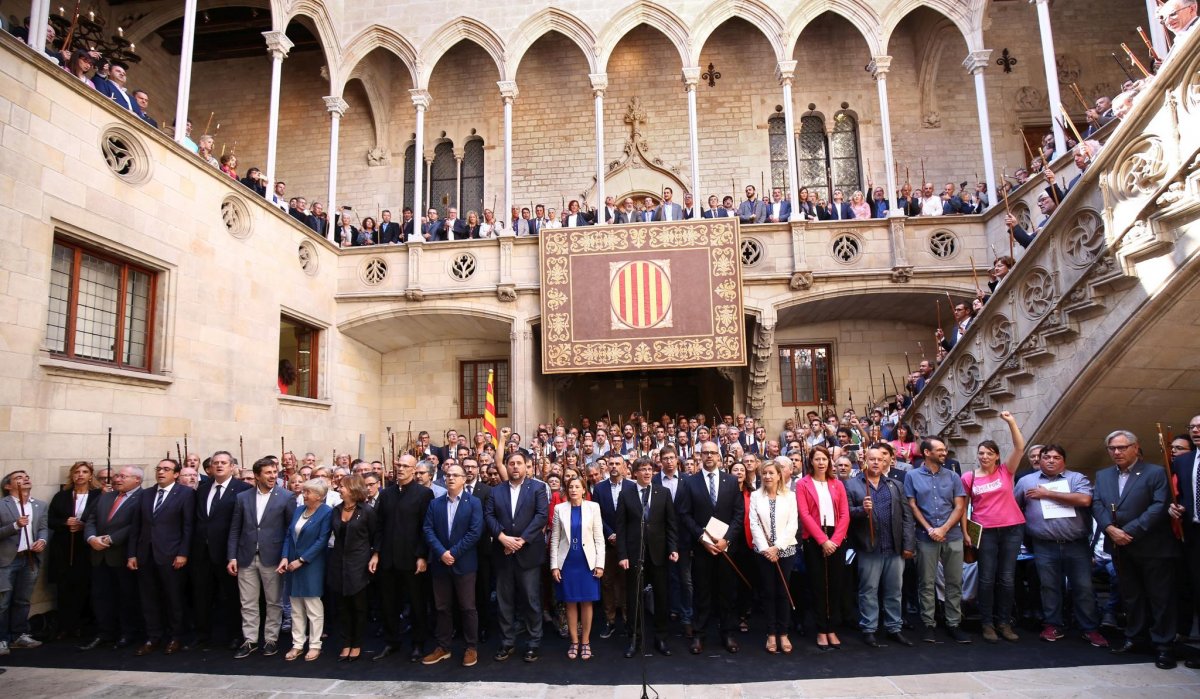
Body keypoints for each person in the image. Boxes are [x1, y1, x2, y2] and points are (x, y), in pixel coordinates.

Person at [1092, 430, 1180, 669]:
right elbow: (1097, 504)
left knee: (1160, 597)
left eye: (1122, 447)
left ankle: (1164, 645)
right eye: (1112, 448)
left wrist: (1127, 532)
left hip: (1152, 546)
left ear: (1135, 447)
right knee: (1131, 596)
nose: (1117, 452)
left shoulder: (1155, 472)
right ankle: (1135, 638)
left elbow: (1159, 506)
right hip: (1120, 548)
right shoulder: (1103, 475)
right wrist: (1110, 529)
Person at [1013, 444, 1108, 648]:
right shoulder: (1026, 481)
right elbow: (1015, 506)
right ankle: (1053, 624)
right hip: (1043, 544)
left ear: (1063, 460)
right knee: (1049, 586)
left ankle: (1089, 628)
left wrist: (1047, 494)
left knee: (1083, 586)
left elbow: (1084, 499)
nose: (1050, 461)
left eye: (1056, 457)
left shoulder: (1076, 478)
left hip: (1076, 544)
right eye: (1046, 457)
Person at [961, 411, 1026, 643]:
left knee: (1007, 578)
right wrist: (966, 532)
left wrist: (1011, 422)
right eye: (981, 453)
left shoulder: (1005, 471)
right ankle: (987, 623)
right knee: (986, 578)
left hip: (1012, 528)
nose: (984, 457)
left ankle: (1004, 622)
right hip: (985, 531)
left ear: (997, 456)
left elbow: (1019, 448)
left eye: (989, 453)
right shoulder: (969, 478)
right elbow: (963, 507)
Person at [676, 440, 744, 654]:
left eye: (713, 453)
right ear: (699, 456)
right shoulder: (689, 482)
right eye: (705, 453)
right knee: (702, 593)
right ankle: (699, 635)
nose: (709, 456)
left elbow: (738, 514)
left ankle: (728, 633)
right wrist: (702, 537)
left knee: (727, 593)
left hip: (726, 548)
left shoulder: (731, 481)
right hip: (702, 548)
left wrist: (727, 540)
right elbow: (684, 514)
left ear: (719, 456)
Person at [846, 445, 915, 647]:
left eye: (880, 459)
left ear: (886, 462)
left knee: (895, 590)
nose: (876, 462)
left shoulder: (895, 485)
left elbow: (907, 517)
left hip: (893, 547)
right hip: (869, 546)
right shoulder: (852, 485)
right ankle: (869, 628)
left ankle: (894, 628)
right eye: (872, 459)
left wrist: (908, 544)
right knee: (868, 590)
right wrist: (861, 509)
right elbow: (846, 514)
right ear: (865, 460)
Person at [228, 457, 296, 658]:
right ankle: (250, 640)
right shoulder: (243, 497)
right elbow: (235, 529)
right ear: (257, 476)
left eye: (275, 472)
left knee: (273, 601)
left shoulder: (286, 497)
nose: (273, 476)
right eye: (268, 473)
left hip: (273, 557)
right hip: (245, 556)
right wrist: (231, 557)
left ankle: (271, 639)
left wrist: (285, 556)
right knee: (247, 602)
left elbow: (289, 531)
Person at [484, 449, 549, 662]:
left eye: (519, 463)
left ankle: (534, 643)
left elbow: (541, 516)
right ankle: (507, 642)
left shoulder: (538, 488)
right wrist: (502, 538)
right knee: (504, 602)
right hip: (502, 554)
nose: (514, 467)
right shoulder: (496, 491)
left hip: (528, 553)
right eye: (511, 463)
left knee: (531, 601)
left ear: (526, 466)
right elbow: (489, 515)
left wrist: (520, 541)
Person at [905, 437, 970, 643]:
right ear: (926, 452)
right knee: (926, 583)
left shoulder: (953, 476)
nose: (944, 453)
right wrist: (930, 529)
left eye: (945, 449)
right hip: (925, 537)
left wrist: (943, 529)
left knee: (954, 582)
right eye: (940, 450)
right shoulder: (912, 476)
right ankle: (928, 624)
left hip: (952, 536)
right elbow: (912, 505)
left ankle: (953, 623)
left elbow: (959, 506)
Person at [128, 458, 194, 656]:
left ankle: (175, 637)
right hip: (145, 554)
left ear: (176, 474)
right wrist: (132, 553)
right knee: (149, 598)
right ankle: (153, 637)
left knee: (173, 598)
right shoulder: (146, 494)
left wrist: (183, 552)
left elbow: (188, 526)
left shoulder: (185, 494)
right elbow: (136, 526)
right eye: (159, 469)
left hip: (171, 554)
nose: (161, 472)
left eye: (166, 469)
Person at [374, 454, 434, 662]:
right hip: (388, 558)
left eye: (405, 466)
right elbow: (379, 526)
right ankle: (392, 642)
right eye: (398, 465)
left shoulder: (424, 494)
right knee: (389, 603)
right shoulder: (387, 494)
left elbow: (426, 528)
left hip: (412, 559)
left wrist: (422, 555)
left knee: (417, 603)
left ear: (413, 470)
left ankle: (418, 643)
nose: (400, 469)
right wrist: (376, 552)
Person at [423, 462, 485, 667]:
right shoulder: (435, 504)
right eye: (448, 475)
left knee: (467, 607)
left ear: (464, 479)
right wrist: (442, 553)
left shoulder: (473, 502)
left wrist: (454, 553)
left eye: (455, 475)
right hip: (441, 564)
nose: (450, 478)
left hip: (464, 563)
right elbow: (428, 530)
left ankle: (471, 647)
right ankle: (443, 647)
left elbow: (475, 532)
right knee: (442, 607)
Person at [616, 458, 677, 658]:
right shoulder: (626, 495)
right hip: (635, 554)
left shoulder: (663, 493)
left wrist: (673, 548)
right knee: (634, 598)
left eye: (650, 469)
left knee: (661, 596)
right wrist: (623, 554)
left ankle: (661, 637)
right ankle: (634, 638)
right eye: (643, 469)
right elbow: (621, 527)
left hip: (659, 553)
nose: (647, 473)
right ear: (635, 473)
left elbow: (670, 524)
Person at [191, 450, 250, 650]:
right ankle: (203, 636)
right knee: (201, 596)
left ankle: (234, 635)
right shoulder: (202, 489)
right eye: (216, 462)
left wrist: (235, 553)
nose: (219, 466)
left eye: (224, 462)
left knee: (230, 596)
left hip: (227, 552)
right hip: (201, 552)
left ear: (232, 466)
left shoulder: (242, 489)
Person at [82, 465, 143, 651]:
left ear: (137, 480)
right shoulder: (105, 496)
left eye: (123, 476)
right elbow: (91, 519)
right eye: (117, 475)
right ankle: (104, 633)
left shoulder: (144, 497)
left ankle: (127, 633)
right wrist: (91, 538)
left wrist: (111, 539)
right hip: (99, 555)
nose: (117, 479)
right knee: (101, 596)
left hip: (123, 555)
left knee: (126, 596)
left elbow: (136, 524)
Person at [796, 446, 849, 649]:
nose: (821, 462)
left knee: (835, 585)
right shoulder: (803, 484)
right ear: (811, 462)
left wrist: (834, 541)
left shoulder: (837, 484)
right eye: (817, 459)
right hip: (814, 538)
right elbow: (805, 514)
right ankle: (820, 629)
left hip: (836, 538)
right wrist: (822, 540)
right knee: (818, 585)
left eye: (824, 459)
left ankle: (832, 628)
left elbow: (844, 514)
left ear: (829, 462)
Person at [551, 475, 605, 660]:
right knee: (570, 602)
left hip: (587, 562)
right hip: (567, 562)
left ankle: (586, 642)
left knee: (587, 602)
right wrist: (554, 566)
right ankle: (574, 641)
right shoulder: (560, 509)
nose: (574, 490)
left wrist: (600, 564)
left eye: (577, 486)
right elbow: (555, 539)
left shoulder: (593, 508)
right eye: (570, 487)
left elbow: (599, 539)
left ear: (584, 490)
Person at [747, 459, 798, 654]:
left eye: (771, 473)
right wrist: (766, 548)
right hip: (764, 552)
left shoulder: (790, 496)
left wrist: (777, 547)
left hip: (785, 550)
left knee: (783, 592)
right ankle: (770, 633)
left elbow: (793, 525)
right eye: (765, 473)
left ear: (779, 475)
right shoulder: (755, 496)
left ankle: (783, 632)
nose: (768, 476)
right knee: (768, 592)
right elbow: (754, 524)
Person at [327, 475, 379, 662]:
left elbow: (376, 536)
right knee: (342, 606)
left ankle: (357, 643)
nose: (339, 489)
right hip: (338, 563)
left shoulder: (367, 511)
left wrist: (375, 555)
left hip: (359, 563)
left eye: (342, 486)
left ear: (352, 489)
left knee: (358, 605)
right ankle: (346, 642)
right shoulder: (336, 510)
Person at [280, 478, 332, 662]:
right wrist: (285, 557)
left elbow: (322, 540)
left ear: (319, 496)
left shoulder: (326, 512)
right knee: (296, 607)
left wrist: (302, 560)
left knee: (312, 606)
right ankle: (297, 644)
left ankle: (315, 645)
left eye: (308, 492)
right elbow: (288, 535)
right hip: (292, 563)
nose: (304, 495)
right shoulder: (299, 509)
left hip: (311, 565)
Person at [47, 461, 100, 640]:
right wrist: (65, 523)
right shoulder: (61, 496)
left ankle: (80, 625)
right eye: (77, 472)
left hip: (85, 547)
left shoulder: (97, 496)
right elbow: (50, 520)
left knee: (83, 587)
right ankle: (64, 625)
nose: (80, 475)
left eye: (85, 472)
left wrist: (83, 526)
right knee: (64, 588)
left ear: (90, 476)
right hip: (64, 546)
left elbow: (101, 520)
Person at [0, 470, 49, 655]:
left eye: (26, 476)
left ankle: (19, 634)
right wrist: (14, 526)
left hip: (30, 559)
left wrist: (42, 541)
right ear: (7, 486)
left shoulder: (40, 505)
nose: (25, 479)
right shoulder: (1, 505)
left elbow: (43, 528)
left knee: (23, 600)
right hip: (7, 560)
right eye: (18, 478)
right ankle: (2, 639)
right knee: (3, 602)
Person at [593, 452, 634, 638]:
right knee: (607, 582)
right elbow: (596, 515)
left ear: (625, 466)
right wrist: (609, 533)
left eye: (618, 463)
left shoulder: (632, 487)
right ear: (607, 466)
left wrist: (622, 535)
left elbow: (635, 515)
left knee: (627, 582)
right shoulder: (599, 488)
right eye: (611, 463)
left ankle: (627, 619)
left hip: (627, 542)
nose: (614, 467)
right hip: (606, 542)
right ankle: (610, 620)